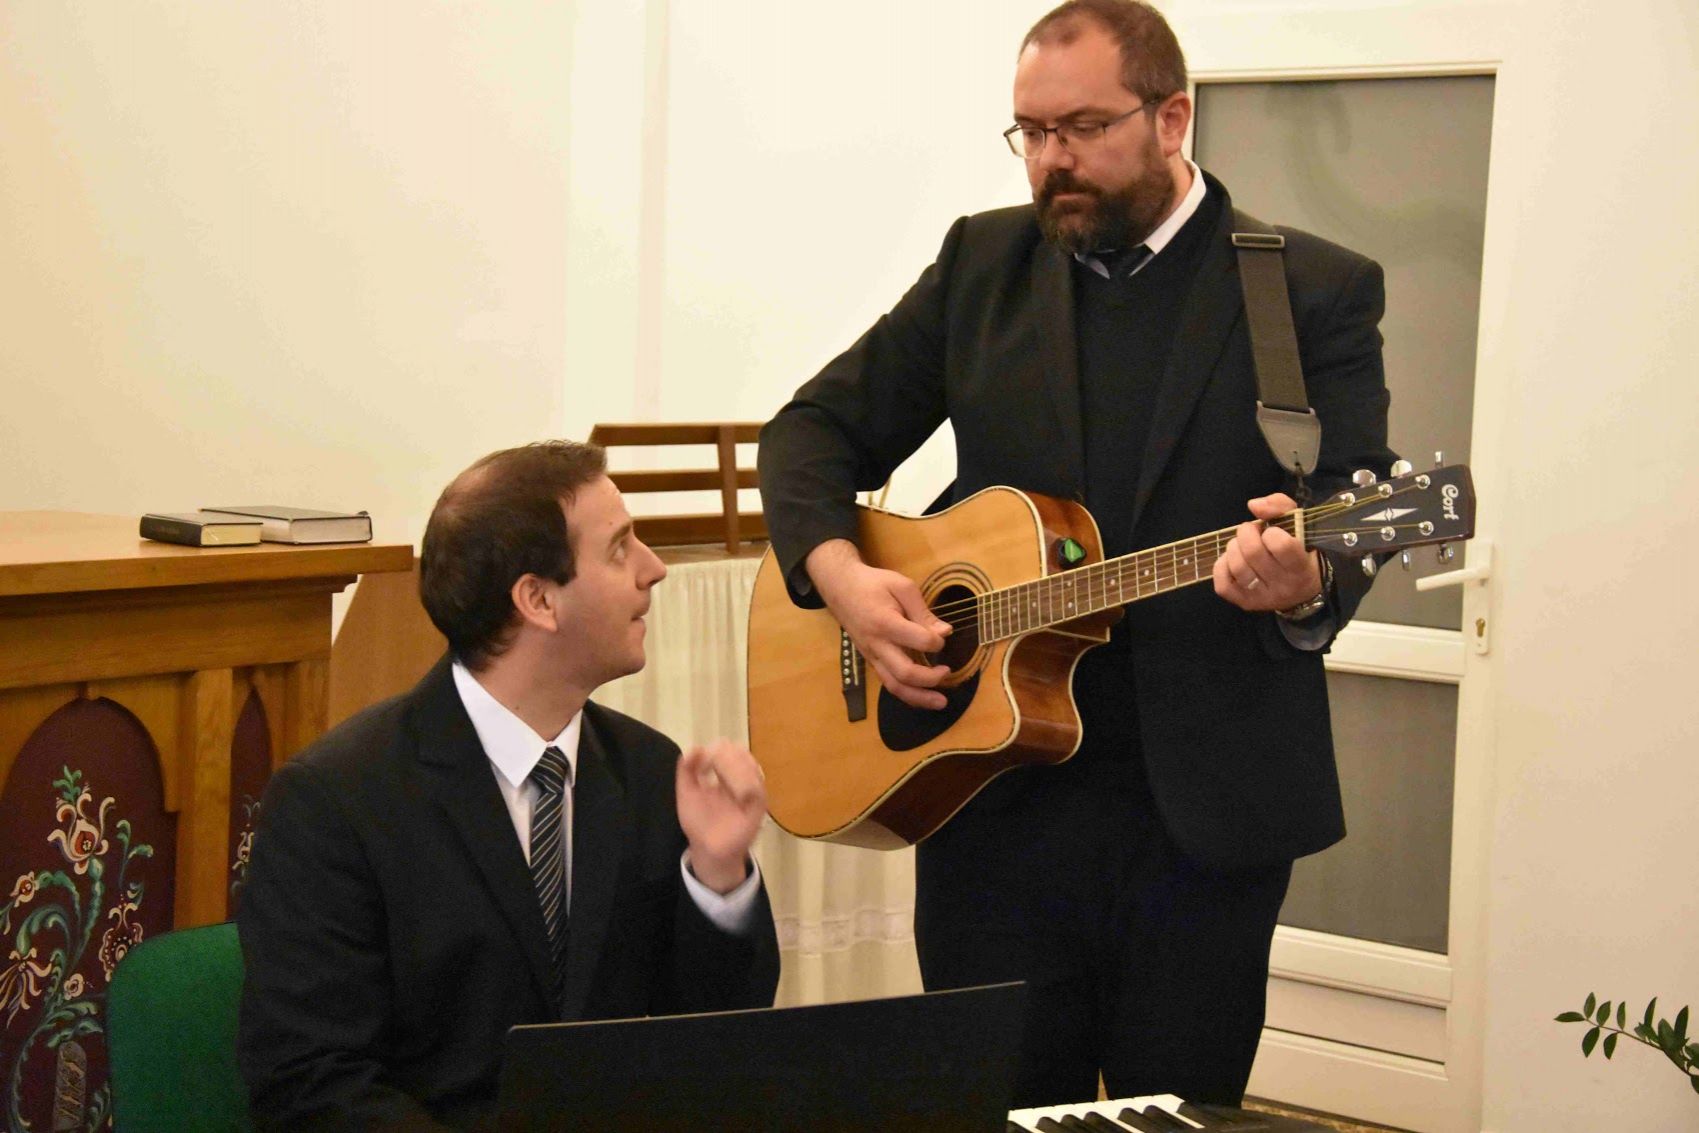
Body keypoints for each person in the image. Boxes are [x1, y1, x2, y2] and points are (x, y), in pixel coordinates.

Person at [758, 0, 1395, 1109]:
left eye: (1083, 128)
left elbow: (1353, 501)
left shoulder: (1307, 289)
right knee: (995, 1106)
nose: (1051, 160)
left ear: (1171, 119)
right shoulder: (982, 262)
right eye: (1031, 132)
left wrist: (1308, 581)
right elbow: (810, 432)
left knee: (1174, 1112)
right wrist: (843, 576)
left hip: (1203, 814)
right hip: (988, 796)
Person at [237, 440, 780, 1130]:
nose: (655, 568)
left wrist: (718, 875)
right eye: (620, 549)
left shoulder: (647, 769)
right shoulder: (334, 800)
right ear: (538, 599)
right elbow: (310, 1082)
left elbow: (717, 1043)